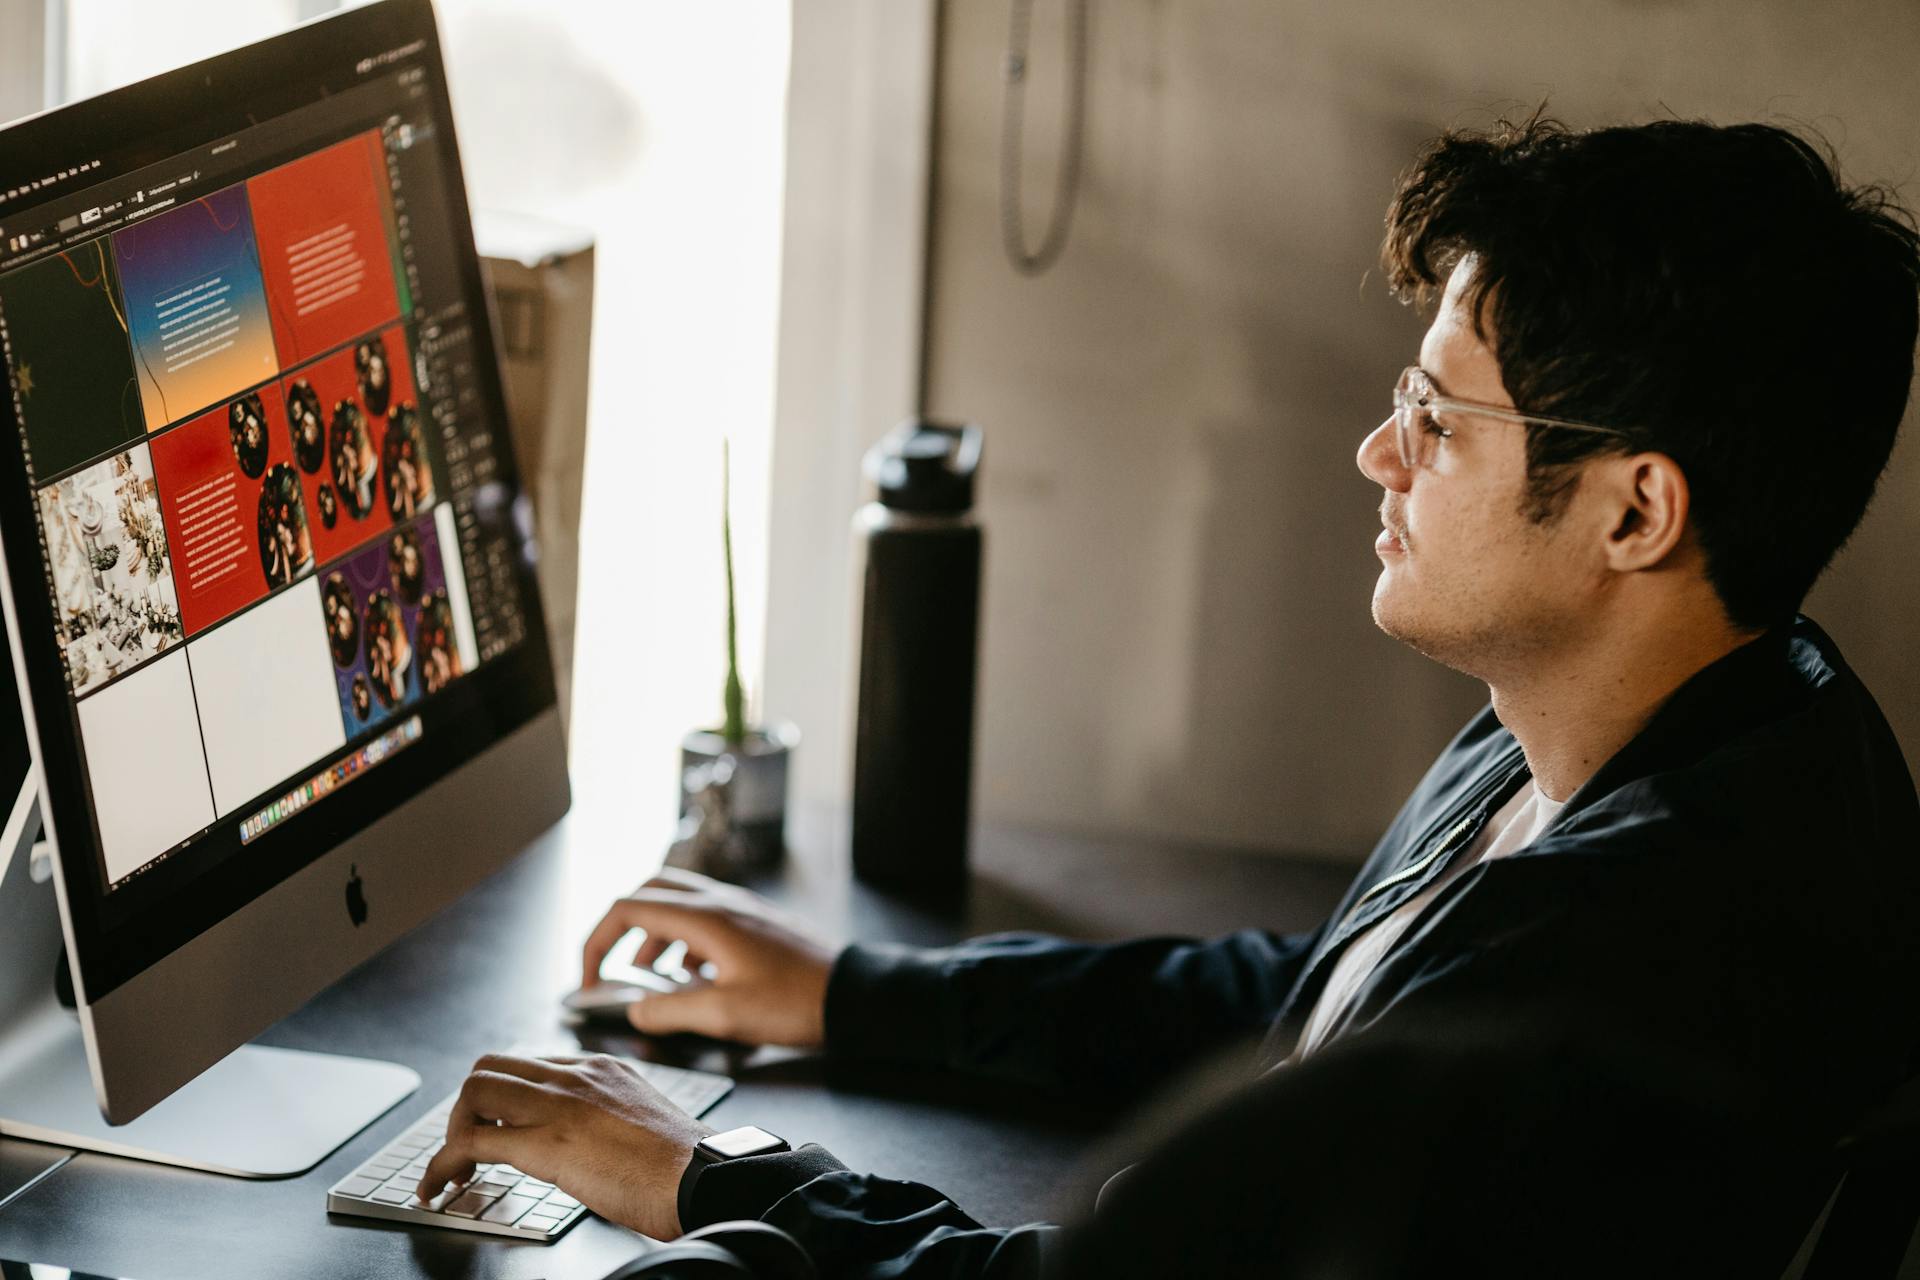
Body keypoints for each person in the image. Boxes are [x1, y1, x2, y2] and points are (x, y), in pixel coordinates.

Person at [421, 115, 1920, 1276]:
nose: (1377, 457)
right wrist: (858, 994)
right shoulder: (1717, 714)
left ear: (1633, 513)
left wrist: (706, 1169)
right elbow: (1326, 1002)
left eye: (1437, 420)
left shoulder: (1625, 961)